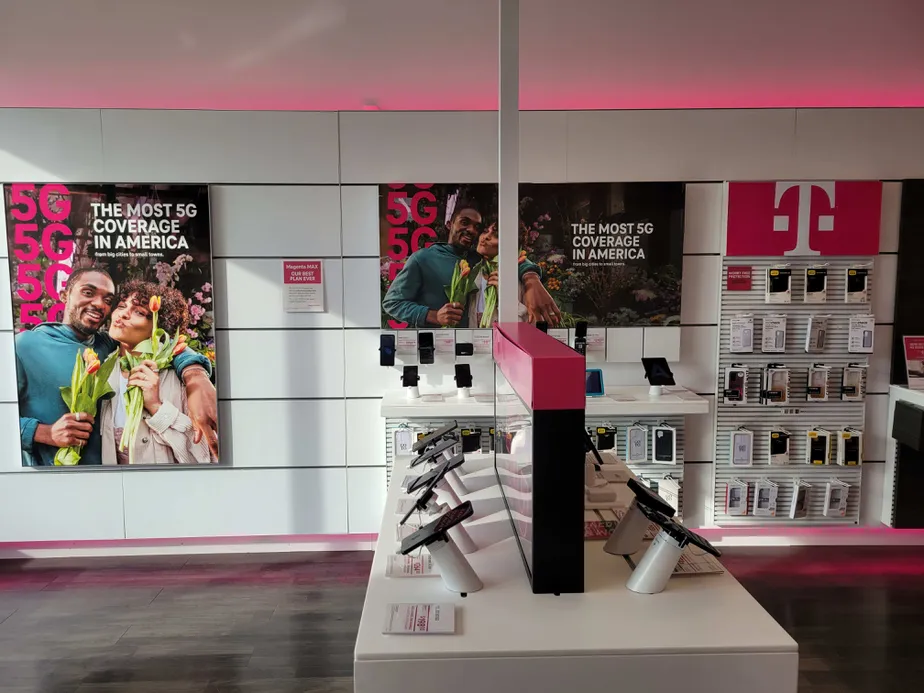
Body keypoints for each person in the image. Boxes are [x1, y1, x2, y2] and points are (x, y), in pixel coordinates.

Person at [15, 267, 218, 466]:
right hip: (52, 480)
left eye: (108, 301)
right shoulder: (24, 346)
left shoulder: (106, 347)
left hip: (111, 484)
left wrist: (194, 375)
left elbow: (165, 345)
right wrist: (43, 432)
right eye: (88, 292)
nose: (98, 304)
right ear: (64, 295)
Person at [383, 203, 556, 327]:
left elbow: (515, 258)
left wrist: (531, 279)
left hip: (478, 345)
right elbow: (392, 303)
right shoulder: (423, 258)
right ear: (449, 224)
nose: (472, 231)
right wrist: (432, 315)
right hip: (437, 348)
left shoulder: (479, 259)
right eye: (465, 222)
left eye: (477, 227)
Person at [101, 281, 214, 465]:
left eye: (139, 312)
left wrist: (156, 407)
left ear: (159, 327)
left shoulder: (178, 377)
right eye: (121, 306)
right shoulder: (104, 369)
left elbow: (204, 456)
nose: (123, 314)